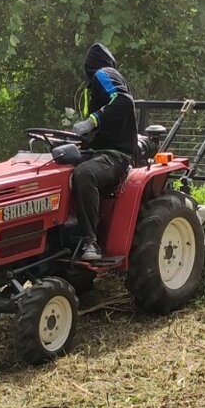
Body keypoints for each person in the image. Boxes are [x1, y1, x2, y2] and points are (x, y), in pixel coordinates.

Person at [70, 42, 137, 261]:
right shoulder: (94, 87)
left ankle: (90, 242)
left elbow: (124, 101)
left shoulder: (104, 73)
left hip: (115, 155)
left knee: (84, 174)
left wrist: (92, 121)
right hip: (97, 152)